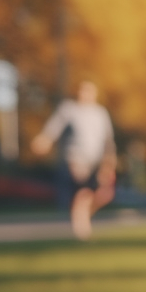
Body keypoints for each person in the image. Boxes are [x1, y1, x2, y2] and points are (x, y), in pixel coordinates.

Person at [31, 80, 116, 239]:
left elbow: (108, 140)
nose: (85, 94)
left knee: (103, 194)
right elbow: (53, 128)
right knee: (83, 192)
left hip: (95, 161)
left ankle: (81, 218)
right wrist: (44, 140)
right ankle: (82, 229)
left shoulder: (100, 113)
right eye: (83, 91)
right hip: (75, 158)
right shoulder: (69, 109)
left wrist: (110, 160)